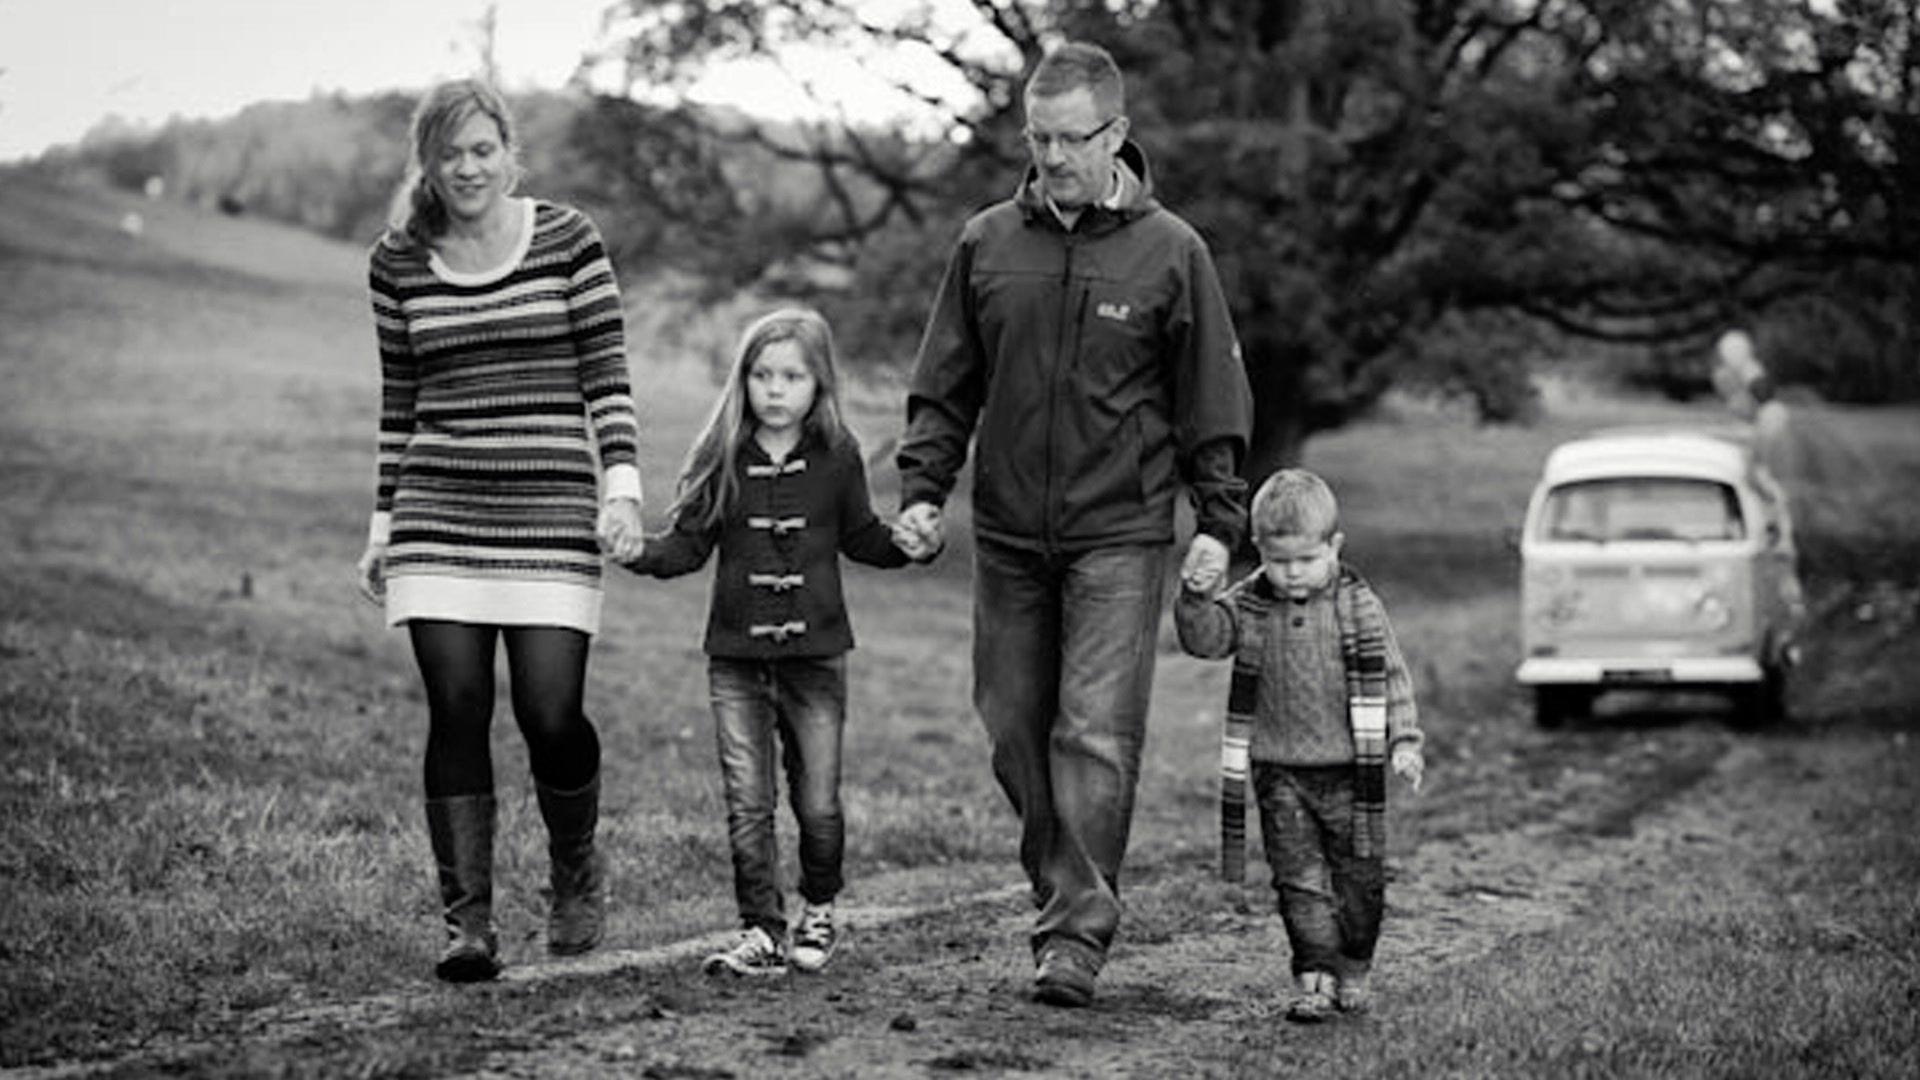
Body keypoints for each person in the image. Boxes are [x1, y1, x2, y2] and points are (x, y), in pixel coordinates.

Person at [893, 41, 1253, 1007]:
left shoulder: (1173, 251)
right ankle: (1064, 884)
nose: (1051, 158)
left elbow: (1210, 397)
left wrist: (1218, 520)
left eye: (1070, 139)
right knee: (1015, 731)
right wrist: (925, 489)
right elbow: (944, 382)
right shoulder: (985, 243)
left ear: (1118, 136)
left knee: (1093, 733)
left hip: (1120, 535)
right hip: (1009, 534)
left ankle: (1076, 934)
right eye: (1038, 138)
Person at [354, 78, 646, 983]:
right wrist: (382, 524)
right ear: (428, 166)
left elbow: (607, 374)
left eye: (484, 150)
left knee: (550, 712)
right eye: (451, 154)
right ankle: (468, 926)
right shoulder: (396, 262)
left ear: (507, 152)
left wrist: (624, 488)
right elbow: (400, 405)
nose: (469, 167)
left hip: (551, 504)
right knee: (458, 708)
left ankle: (574, 872)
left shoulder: (568, 239)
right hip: (440, 514)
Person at [622, 308, 915, 977]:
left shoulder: (838, 456)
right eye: (761, 375)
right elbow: (686, 548)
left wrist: (908, 545)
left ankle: (819, 907)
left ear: (819, 384)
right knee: (748, 802)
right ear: (743, 380)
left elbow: (861, 537)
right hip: (735, 660)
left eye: (791, 376)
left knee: (818, 799)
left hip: (816, 658)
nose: (774, 389)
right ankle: (760, 929)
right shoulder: (723, 453)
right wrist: (636, 550)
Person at [1173, 469, 1424, 1022]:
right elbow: (1205, 639)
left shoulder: (1358, 606)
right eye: (1279, 561)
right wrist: (1194, 600)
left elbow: (1391, 674)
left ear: (1334, 547)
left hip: (1349, 774)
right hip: (1277, 769)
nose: (1291, 574)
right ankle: (1312, 975)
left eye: (1306, 561)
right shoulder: (1252, 603)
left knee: (1360, 883)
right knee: (1300, 881)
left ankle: (1353, 965)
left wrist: (1404, 739)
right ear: (1259, 549)